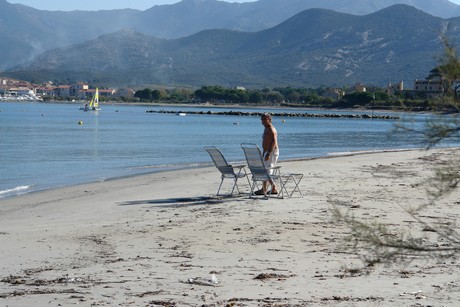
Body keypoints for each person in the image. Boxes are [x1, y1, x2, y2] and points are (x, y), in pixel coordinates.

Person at [255, 112, 279, 195]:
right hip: (267, 151)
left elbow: (274, 142)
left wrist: (268, 153)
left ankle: (270, 189)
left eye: (265, 119)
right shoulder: (266, 128)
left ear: (269, 119)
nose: (263, 121)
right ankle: (268, 189)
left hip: (271, 152)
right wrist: (264, 152)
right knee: (265, 170)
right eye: (262, 119)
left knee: (267, 171)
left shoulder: (271, 129)